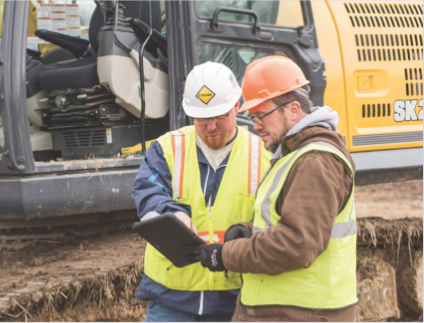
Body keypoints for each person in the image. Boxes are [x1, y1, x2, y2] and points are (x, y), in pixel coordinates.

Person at [187, 56, 357, 321]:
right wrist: (249, 230)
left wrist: (225, 255)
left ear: (292, 109)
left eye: (260, 115)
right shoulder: (295, 156)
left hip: (299, 313)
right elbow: (286, 222)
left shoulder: (314, 162)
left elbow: (297, 244)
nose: (254, 125)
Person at [132, 61, 270, 322]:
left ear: (237, 106)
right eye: (202, 119)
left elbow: (278, 216)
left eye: (219, 117)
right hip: (172, 299)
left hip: (234, 299)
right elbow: (148, 192)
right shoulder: (167, 148)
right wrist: (171, 214)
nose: (211, 127)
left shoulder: (263, 154)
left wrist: (250, 228)